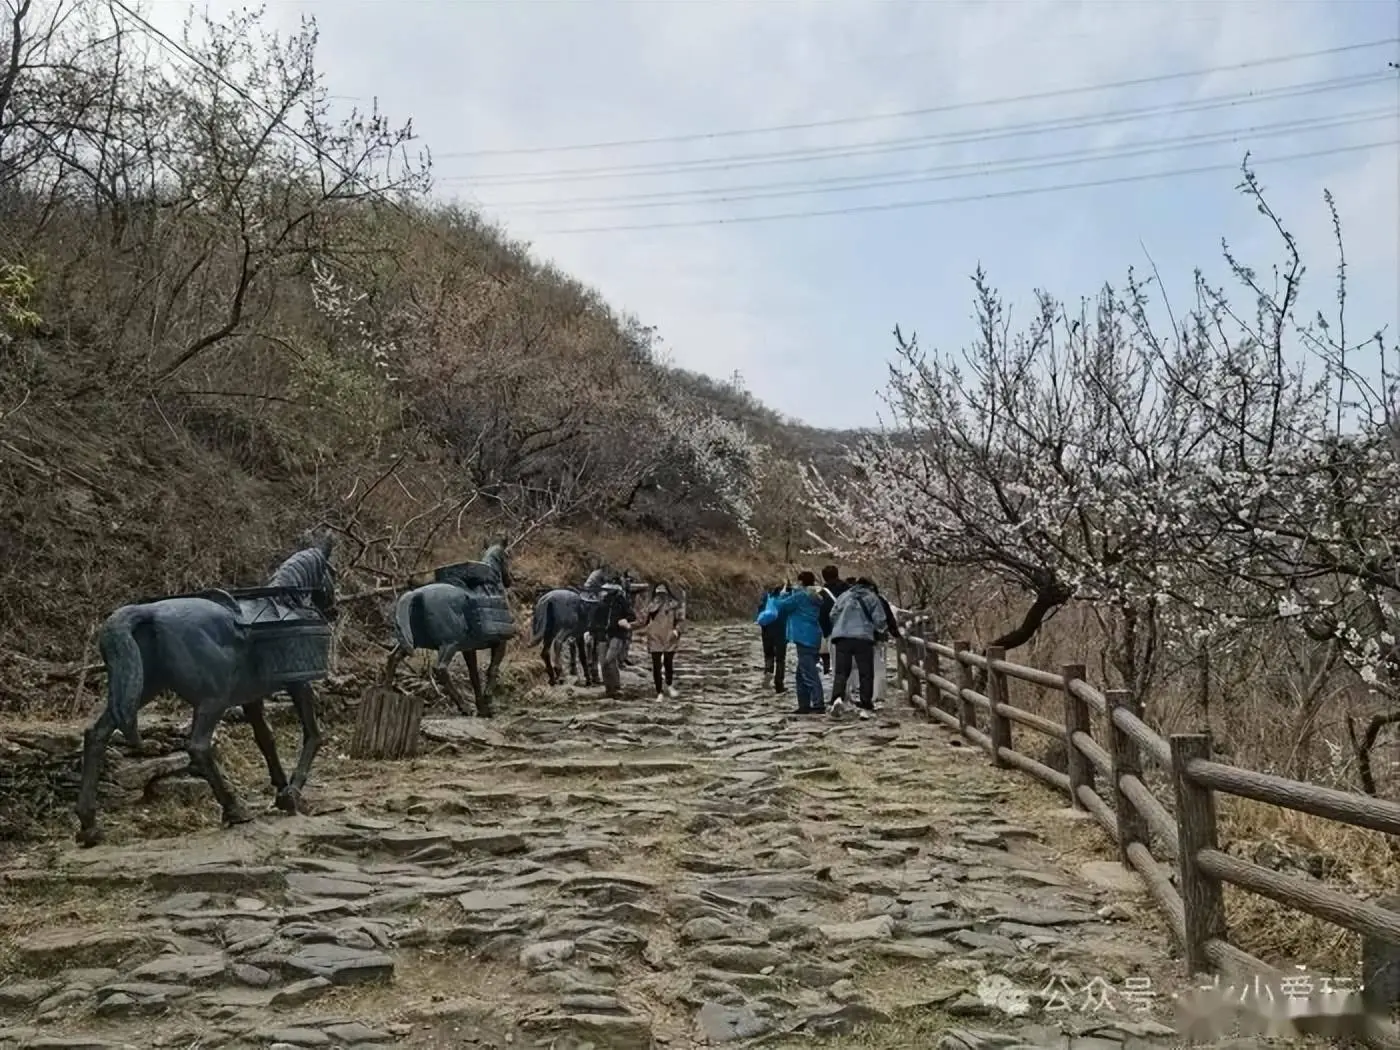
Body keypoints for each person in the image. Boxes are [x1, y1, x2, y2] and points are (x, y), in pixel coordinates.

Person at [828, 577, 888, 719]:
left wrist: (841, 625)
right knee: (865, 672)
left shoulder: (844, 595)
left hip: (842, 637)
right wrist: (879, 630)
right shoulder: (872, 598)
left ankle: (837, 699)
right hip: (863, 638)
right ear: (869, 586)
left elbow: (832, 614)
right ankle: (865, 704)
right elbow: (880, 620)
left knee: (841, 672)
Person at [771, 571, 825, 714]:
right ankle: (804, 705)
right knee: (801, 674)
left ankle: (818, 703)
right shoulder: (814, 595)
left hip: (803, 636)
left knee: (809, 673)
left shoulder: (800, 596)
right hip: (813, 635)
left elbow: (781, 606)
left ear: (801, 582)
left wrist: (782, 594)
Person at [634, 582, 685, 700]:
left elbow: (681, 620)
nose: (660, 597)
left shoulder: (674, 605)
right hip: (654, 637)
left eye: (663, 593)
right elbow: (642, 621)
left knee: (668, 663)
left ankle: (669, 685)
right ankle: (659, 691)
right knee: (656, 665)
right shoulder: (651, 606)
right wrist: (628, 626)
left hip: (669, 637)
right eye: (658, 594)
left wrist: (676, 631)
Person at [599, 583, 636, 698]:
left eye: (607, 590)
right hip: (603, 634)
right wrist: (590, 631)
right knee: (603, 663)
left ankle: (616, 687)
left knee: (608, 660)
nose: (605, 592)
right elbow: (595, 618)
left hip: (618, 634)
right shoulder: (602, 603)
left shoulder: (622, 602)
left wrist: (624, 620)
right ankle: (609, 688)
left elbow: (632, 616)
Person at [868, 581, 902, 705]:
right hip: (880, 638)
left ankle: (870, 694)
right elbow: (889, 619)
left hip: (864, 638)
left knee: (868, 667)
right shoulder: (880, 600)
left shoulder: (859, 600)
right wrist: (896, 634)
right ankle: (878, 694)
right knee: (879, 666)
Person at [817, 565, 849, 676]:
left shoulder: (823, 594)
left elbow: (822, 615)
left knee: (837, 663)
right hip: (851, 629)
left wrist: (826, 633)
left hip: (834, 631)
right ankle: (853, 686)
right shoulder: (849, 590)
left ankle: (841, 689)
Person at [758, 584, 789, 694]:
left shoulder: (766, 599)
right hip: (781, 632)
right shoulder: (785, 602)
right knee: (780, 659)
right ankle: (779, 683)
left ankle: (768, 672)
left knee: (769, 655)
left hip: (766, 631)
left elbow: (759, 615)